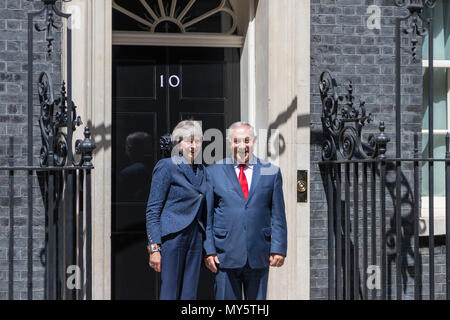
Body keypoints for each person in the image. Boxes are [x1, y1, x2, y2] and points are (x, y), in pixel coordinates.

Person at [203, 121, 288, 300]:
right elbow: (207, 216)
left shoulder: (270, 172)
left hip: (259, 253)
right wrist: (209, 249)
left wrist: (279, 248)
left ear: (254, 141)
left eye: (247, 140)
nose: (242, 146)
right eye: (236, 141)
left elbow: (278, 214)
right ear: (228, 142)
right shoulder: (213, 172)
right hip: (224, 254)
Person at [146, 120, 206, 300]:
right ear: (179, 143)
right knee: (170, 292)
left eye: (197, 141)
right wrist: (154, 248)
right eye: (188, 141)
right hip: (173, 237)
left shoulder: (202, 170)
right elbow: (153, 209)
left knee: (190, 293)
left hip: (196, 236)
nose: (193, 146)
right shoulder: (167, 166)